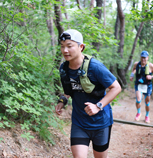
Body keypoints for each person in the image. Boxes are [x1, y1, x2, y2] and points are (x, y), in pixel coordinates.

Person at [55, 29, 122, 158]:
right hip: (79, 122)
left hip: (101, 123)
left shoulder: (95, 67)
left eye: (69, 46)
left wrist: (98, 106)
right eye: (62, 46)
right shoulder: (64, 68)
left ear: (81, 47)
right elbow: (68, 91)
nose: (65, 50)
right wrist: (62, 101)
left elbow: (116, 87)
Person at [129, 51, 153, 123]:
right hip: (138, 85)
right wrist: (132, 75)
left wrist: (151, 77)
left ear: (147, 58)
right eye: (142, 57)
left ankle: (147, 116)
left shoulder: (151, 66)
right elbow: (133, 69)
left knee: (147, 101)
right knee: (138, 100)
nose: (143, 59)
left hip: (147, 86)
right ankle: (138, 113)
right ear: (140, 57)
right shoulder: (137, 64)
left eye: (144, 58)